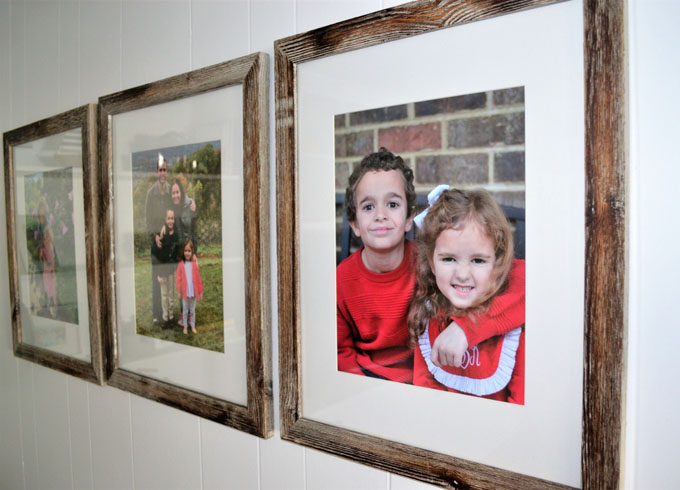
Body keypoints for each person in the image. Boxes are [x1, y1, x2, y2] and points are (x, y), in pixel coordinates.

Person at [408, 187, 525, 404]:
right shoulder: (428, 313)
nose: (462, 274)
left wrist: (466, 327)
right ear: (431, 263)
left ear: (497, 263)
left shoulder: (517, 323)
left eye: (478, 260)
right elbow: (425, 395)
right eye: (449, 259)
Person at [145, 157, 171, 324]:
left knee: (168, 277)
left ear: (167, 172)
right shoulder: (150, 194)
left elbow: (175, 211)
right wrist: (155, 236)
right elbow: (147, 220)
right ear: (157, 173)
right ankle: (156, 314)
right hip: (156, 243)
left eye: (165, 170)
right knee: (157, 278)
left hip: (168, 242)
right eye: (160, 170)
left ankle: (168, 312)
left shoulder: (170, 191)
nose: (162, 173)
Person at [152, 208, 180, 326]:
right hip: (162, 271)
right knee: (163, 295)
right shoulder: (162, 233)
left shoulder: (176, 234)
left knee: (170, 294)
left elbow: (176, 251)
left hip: (171, 270)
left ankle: (171, 315)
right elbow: (157, 254)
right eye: (168, 218)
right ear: (165, 219)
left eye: (172, 218)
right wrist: (158, 273)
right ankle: (165, 318)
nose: (170, 221)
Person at [176, 238, 203, 335]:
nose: (187, 253)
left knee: (192, 310)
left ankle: (192, 325)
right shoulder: (180, 264)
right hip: (185, 292)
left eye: (189, 251)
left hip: (193, 291)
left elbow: (198, 278)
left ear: (192, 252)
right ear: (183, 251)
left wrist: (200, 291)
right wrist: (179, 291)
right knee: (185, 310)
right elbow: (178, 279)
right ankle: (185, 327)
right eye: (185, 251)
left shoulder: (194, 264)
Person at [170, 178, 198, 250]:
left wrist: (194, 252)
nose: (175, 196)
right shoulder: (170, 210)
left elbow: (194, 232)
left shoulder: (190, 207)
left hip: (188, 252)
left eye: (177, 192)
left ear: (181, 193)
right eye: (173, 193)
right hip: (176, 254)